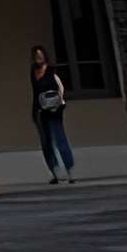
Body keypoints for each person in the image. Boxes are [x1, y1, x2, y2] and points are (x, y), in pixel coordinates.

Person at [30, 44, 75, 184]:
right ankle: (55, 172)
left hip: (54, 109)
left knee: (60, 138)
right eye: (36, 55)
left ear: (44, 56)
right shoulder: (33, 71)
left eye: (40, 55)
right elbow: (35, 92)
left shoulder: (52, 70)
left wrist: (59, 104)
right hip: (40, 110)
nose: (39, 57)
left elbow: (60, 88)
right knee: (46, 142)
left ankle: (70, 170)